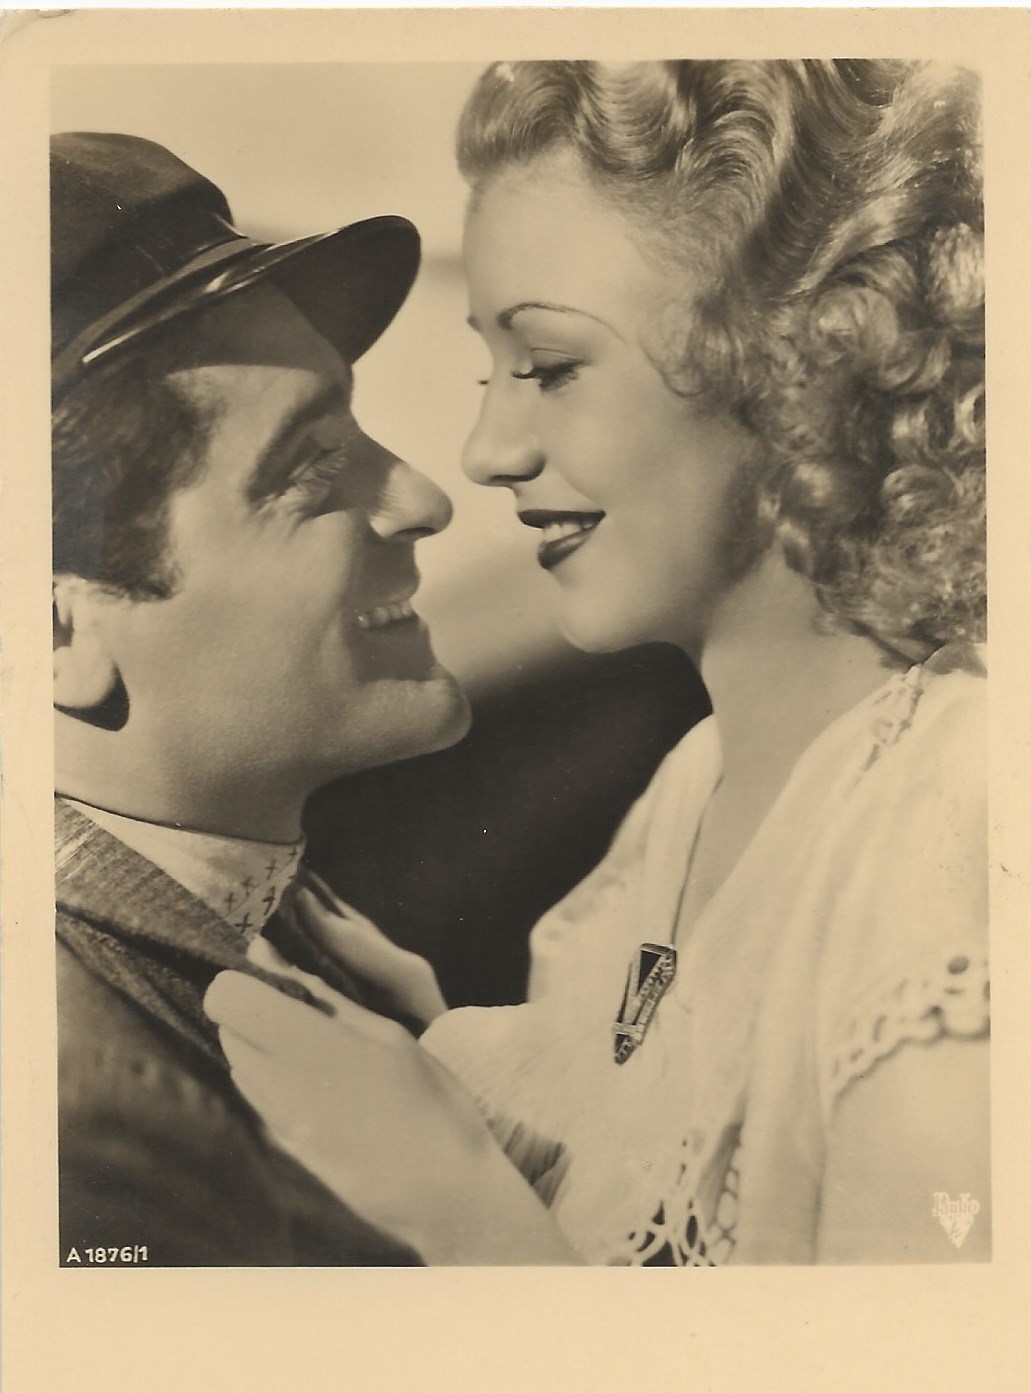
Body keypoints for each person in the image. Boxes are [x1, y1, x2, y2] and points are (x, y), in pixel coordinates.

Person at [207, 59, 989, 1266]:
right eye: (490, 374)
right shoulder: (693, 792)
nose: (484, 451)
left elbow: (901, 1389)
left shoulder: (957, 854)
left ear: (801, 360)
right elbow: (654, 1160)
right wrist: (458, 1072)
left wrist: (456, 1204)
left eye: (551, 367)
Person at [52, 130, 550, 1266]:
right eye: (311, 469)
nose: (421, 500)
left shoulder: (276, 923)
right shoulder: (90, 1128)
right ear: (54, 635)